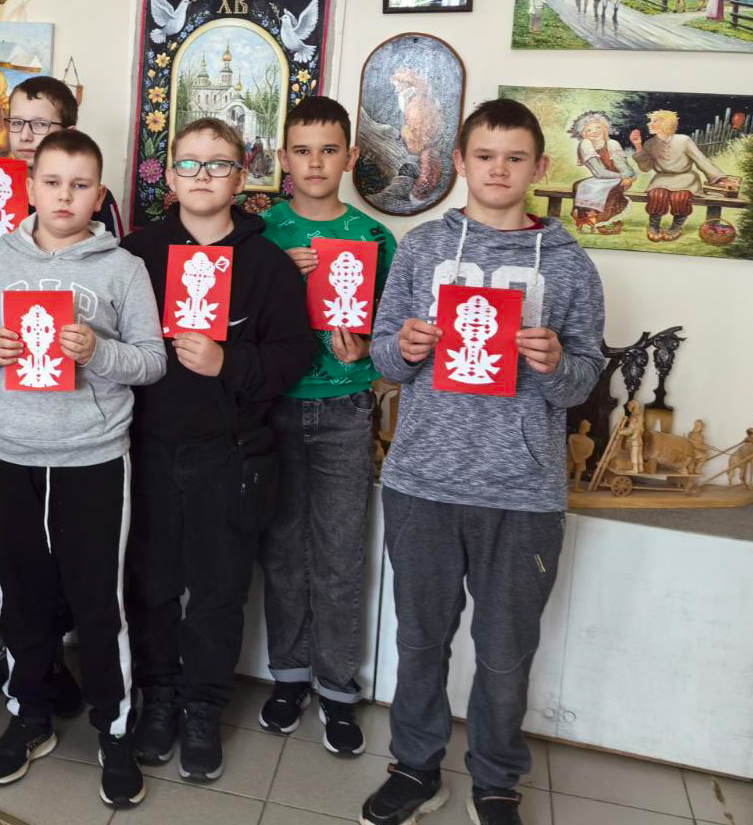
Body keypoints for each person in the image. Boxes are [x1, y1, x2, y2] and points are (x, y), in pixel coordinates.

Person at [361, 99, 603, 825]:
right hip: (422, 481)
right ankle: (415, 767)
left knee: (505, 651)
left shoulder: (570, 265)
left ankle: (496, 780)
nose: (499, 170)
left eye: (515, 158)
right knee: (420, 641)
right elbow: (383, 357)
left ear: (539, 166)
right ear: (460, 163)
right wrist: (404, 348)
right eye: (485, 156)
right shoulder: (420, 250)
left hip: (522, 492)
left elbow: (585, 379)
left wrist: (555, 363)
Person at [0, 129, 166, 808]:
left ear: (99, 195)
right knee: (22, 595)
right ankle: (30, 715)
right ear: (30, 187)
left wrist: (98, 351)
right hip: (9, 449)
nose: (65, 196)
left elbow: (152, 360)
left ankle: (114, 727)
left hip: (92, 455)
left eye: (79, 185)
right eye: (52, 182)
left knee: (98, 602)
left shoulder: (122, 267)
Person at [122, 117, 313, 780]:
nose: (203, 176)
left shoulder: (267, 264)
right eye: (190, 164)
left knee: (218, 590)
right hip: (147, 444)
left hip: (231, 453)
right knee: (149, 583)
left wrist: (227, 362)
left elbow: (293, 355)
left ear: (242, 177)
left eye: (219, 164)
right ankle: (158, 696)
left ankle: (203, 704)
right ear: (170, 177)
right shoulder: (136, 253)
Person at [0, 76, 123, 711]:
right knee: (16, 557)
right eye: (19, 124)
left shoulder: (101, 228)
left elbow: (121, 316)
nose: (27, 136)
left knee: (75, 565)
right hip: (8, 416)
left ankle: (60, 668)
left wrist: (96, 349)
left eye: (42, 125)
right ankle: (20, 658)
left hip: (82, 430)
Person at [256, 96, 395, 758]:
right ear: (283, 158)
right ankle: (288, 676)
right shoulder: (260, 232)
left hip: (345, 408)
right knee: (283, 548)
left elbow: (392, 339)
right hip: (275, 407)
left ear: (350, 157)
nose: (315, 163)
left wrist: (365, 350)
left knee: (341, 552)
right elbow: (235, 322)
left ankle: (338, 687)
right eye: (302, 150)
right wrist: (276, 278)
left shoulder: (374, 238)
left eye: (329, 150)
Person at [629, 109, 740, 243]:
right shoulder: (650, 144)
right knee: (656, 195)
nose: (649, 124)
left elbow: (701, 160)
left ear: (667, 123)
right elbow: (645, 168)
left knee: (680, 197)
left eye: (655, 121)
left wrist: (723, 179)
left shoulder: (683, 140)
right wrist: (638, 146)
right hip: (662, 178)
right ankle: (653, 226)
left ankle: (676, 227)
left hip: (685, 178)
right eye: (650, 121)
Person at [566, 112, 634, 236]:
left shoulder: (612, 144)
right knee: (583, 186)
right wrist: (622, 176)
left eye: (598, 127)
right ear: (583, 134)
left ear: (605, 129)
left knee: (611, 190)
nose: (594, 131)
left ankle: (606, 222)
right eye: (589, 129)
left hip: (619, 179)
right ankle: (588, 221)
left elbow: (625, 168)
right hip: (603, 177)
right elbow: (599, 172)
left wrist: (627, 177)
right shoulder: (585, 145)